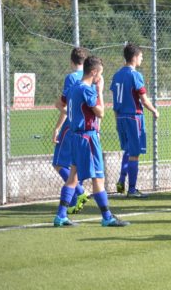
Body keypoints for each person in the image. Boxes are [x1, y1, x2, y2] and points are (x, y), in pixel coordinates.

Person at [53, 55, 129, 227]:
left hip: (74, 136)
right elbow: (100, 113)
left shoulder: (73, 87)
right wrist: (99, 91)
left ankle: (61, 216)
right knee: (98, 177)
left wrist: (73, 118)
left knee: (73, 177)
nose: (100, 77)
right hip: (87, 137)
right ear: (93, 72)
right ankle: (107, 217)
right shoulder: (88, 89)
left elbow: (59, 103)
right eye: (100, 74)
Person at [111, 44, 159, 198]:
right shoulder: (135, 75)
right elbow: (143, 100)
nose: (142, 58)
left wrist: (116, 121)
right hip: (133, 116)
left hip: (120, 117)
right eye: (141, 56)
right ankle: (132, 189)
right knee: (135, 153)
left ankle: (121, 180)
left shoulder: (117, 75)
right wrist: (154, 110)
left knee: (128, 150)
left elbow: (114, 100)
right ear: (134, 57)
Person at [52, 47, 90, 215]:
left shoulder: (72, 77)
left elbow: (65, 105)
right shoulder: (91, 77)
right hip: (86, 127)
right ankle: (76, 197)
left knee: (59, 163)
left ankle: (80, 191)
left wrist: (58, 127)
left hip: (70, 126)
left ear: (71, 61)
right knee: (73, 164)